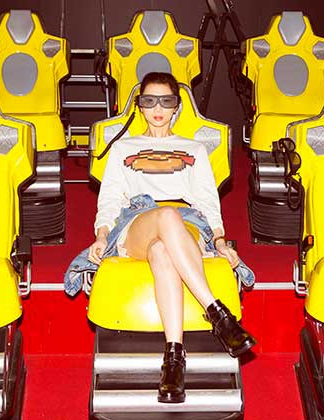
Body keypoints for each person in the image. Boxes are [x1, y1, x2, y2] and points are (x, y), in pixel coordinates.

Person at [87, 72, 256, 404]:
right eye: (149, 101)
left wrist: (220, 241)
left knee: (163, 249)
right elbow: (109, 199)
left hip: (185, 222)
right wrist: (101, 235)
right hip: (136, 220)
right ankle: (217, 313)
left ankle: (174, 358)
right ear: (139, 106)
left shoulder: (195, 148)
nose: (157, 109)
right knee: (165, 216)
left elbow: (207, 201)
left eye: (166, 101)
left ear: (176, 106)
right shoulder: (122, 148)